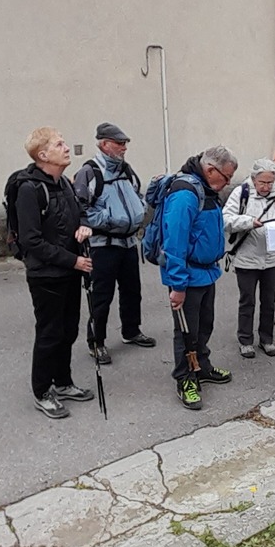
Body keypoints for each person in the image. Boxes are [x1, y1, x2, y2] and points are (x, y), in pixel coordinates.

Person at [14, 127, 96, 419]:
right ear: (43, 155)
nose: (66, 148)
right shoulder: (29, 190)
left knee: (69, 329)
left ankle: (62, 382)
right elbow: (31, 241)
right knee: (49, 333)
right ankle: (42, 391)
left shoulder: (65, 184)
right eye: (59, 144)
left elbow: (79, 212)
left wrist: (84, 226)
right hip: (46, 275)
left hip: (70, 271)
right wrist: (73, 261)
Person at [74, 122, 157, 366]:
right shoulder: (89, 172)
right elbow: (80, 210)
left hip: (128, 242)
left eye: (125, 143)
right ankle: (96, 342)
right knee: (101, 296)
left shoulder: (126, 170)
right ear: (104, 144)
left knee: (132, 291)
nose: (124, 148)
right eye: (119, 143)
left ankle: (131, 331)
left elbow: (137, 194)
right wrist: (111, 219)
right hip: (103, 245)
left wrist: (139, 211)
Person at [162, 146, 239, 411]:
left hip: (206, 272)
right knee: (186, 332)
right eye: (226, 177)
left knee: (204, 325)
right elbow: (174, 243)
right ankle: (185, 378)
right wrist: (178, 285)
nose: (227, 183)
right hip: (188, 274)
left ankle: (201, 366)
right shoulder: (185, 194)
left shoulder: (206, 190)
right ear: (210, 170)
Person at [222, 158, 275, 358]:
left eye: (270, 182)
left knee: (269, 301)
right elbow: (225, 219)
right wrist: (249, 222)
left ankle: (267, 339)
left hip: (271, 258)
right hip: (246, 258)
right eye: (262, 182)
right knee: (247, 301)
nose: (266, 187)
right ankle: (245, 340)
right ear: (253, 179)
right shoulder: (241, 193)